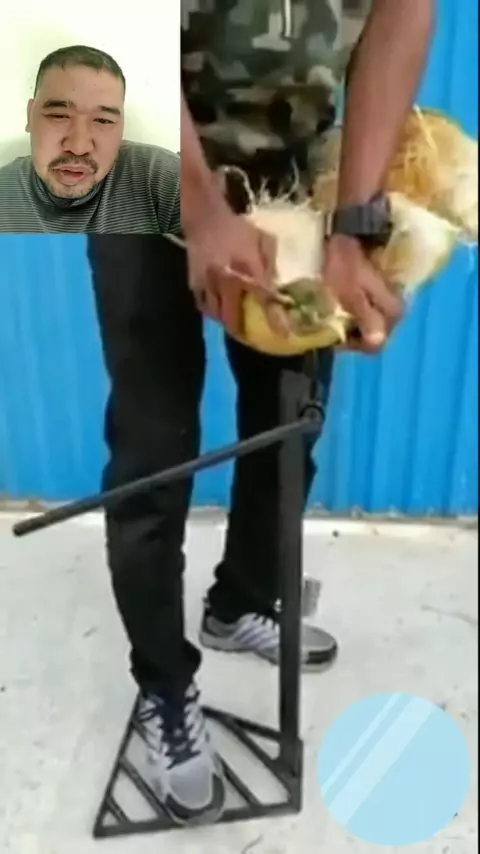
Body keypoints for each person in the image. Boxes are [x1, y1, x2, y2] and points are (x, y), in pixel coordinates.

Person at [130, 0, 431, 827]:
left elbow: (404, 11)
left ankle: (240, 602)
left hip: (294, 164)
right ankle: (164, 687)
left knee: (292, 418)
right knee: (154, 445)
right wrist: (199, 206)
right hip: (140, 154)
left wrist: (355, 225)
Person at [0, 45, 179, 233]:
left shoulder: (162, 180)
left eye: (103, 120)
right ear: (30, 116)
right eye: (59, 116)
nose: (78, 147)